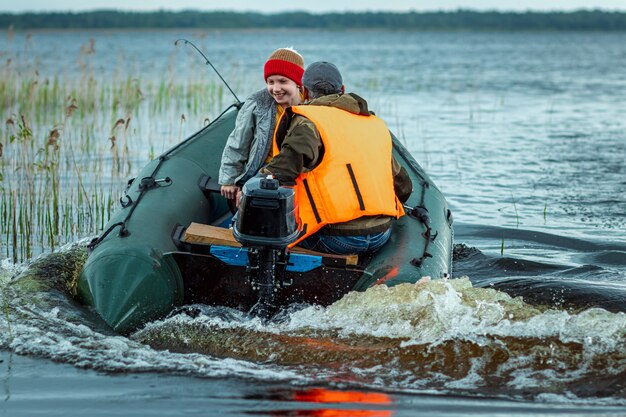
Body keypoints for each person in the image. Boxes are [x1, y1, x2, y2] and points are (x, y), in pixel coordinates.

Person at [258, 61, 412, 255]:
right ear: (343, 90)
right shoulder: (373, 124)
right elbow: (404, 187)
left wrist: (257, 179)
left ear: (304, 92)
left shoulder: (308, 123)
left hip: (336, 238)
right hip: (381, 234)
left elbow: (281, 171)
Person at [218, 47, 305, 202]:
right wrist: (229, 180)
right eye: (270, 82)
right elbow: (237, 144)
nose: (276, 89)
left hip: (298, 174)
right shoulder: (257, 103)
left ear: (298, 83)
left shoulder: (312, 105)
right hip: (264, 171)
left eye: (283, 81)